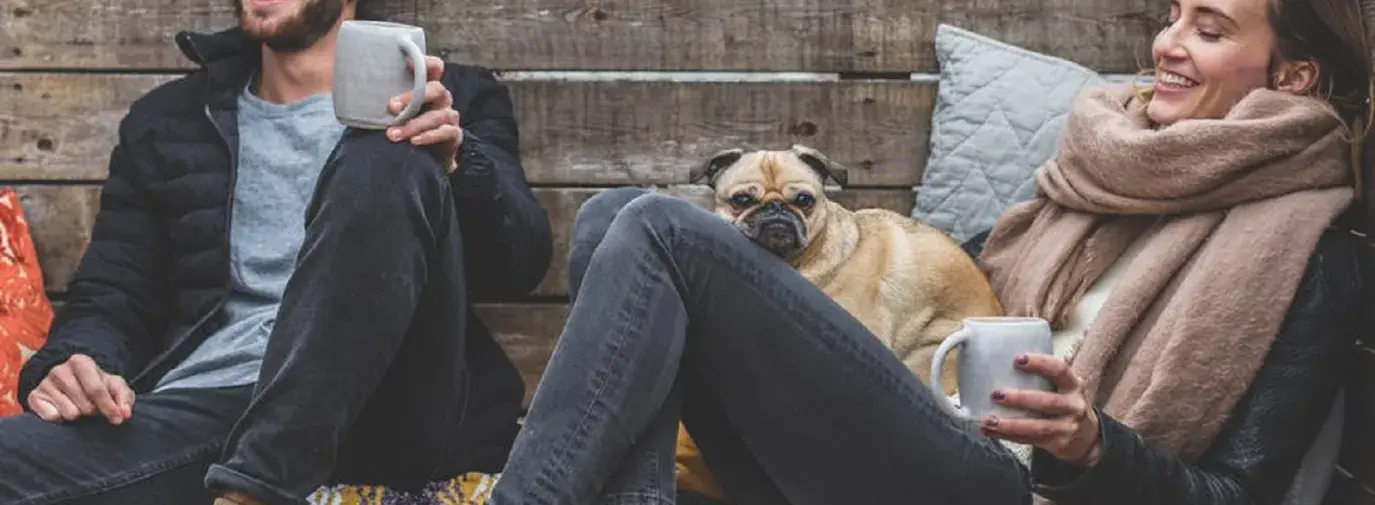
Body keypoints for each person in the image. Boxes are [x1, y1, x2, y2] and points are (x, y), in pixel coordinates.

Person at [484, 0, 1370, 503]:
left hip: (1008, 485)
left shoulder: (1303, 249)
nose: (1166, 43)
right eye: (1173, 13)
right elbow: (977, 279)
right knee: (609, 218)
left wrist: (1095, 444)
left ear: (1290, 79)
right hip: (921, 429)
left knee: (658, 228)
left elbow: (1241, 496)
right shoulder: (1111, 167)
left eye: (1208, 30)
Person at [0, 0, 552, 502]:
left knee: (394, 150)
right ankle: (255, 476)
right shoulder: (166, 123)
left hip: (383, 403)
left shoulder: (453, 98)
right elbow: (114, 296)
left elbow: (519, 261)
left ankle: (259, 487)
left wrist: (458, 162)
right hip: (211, 409)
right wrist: (70, 365)